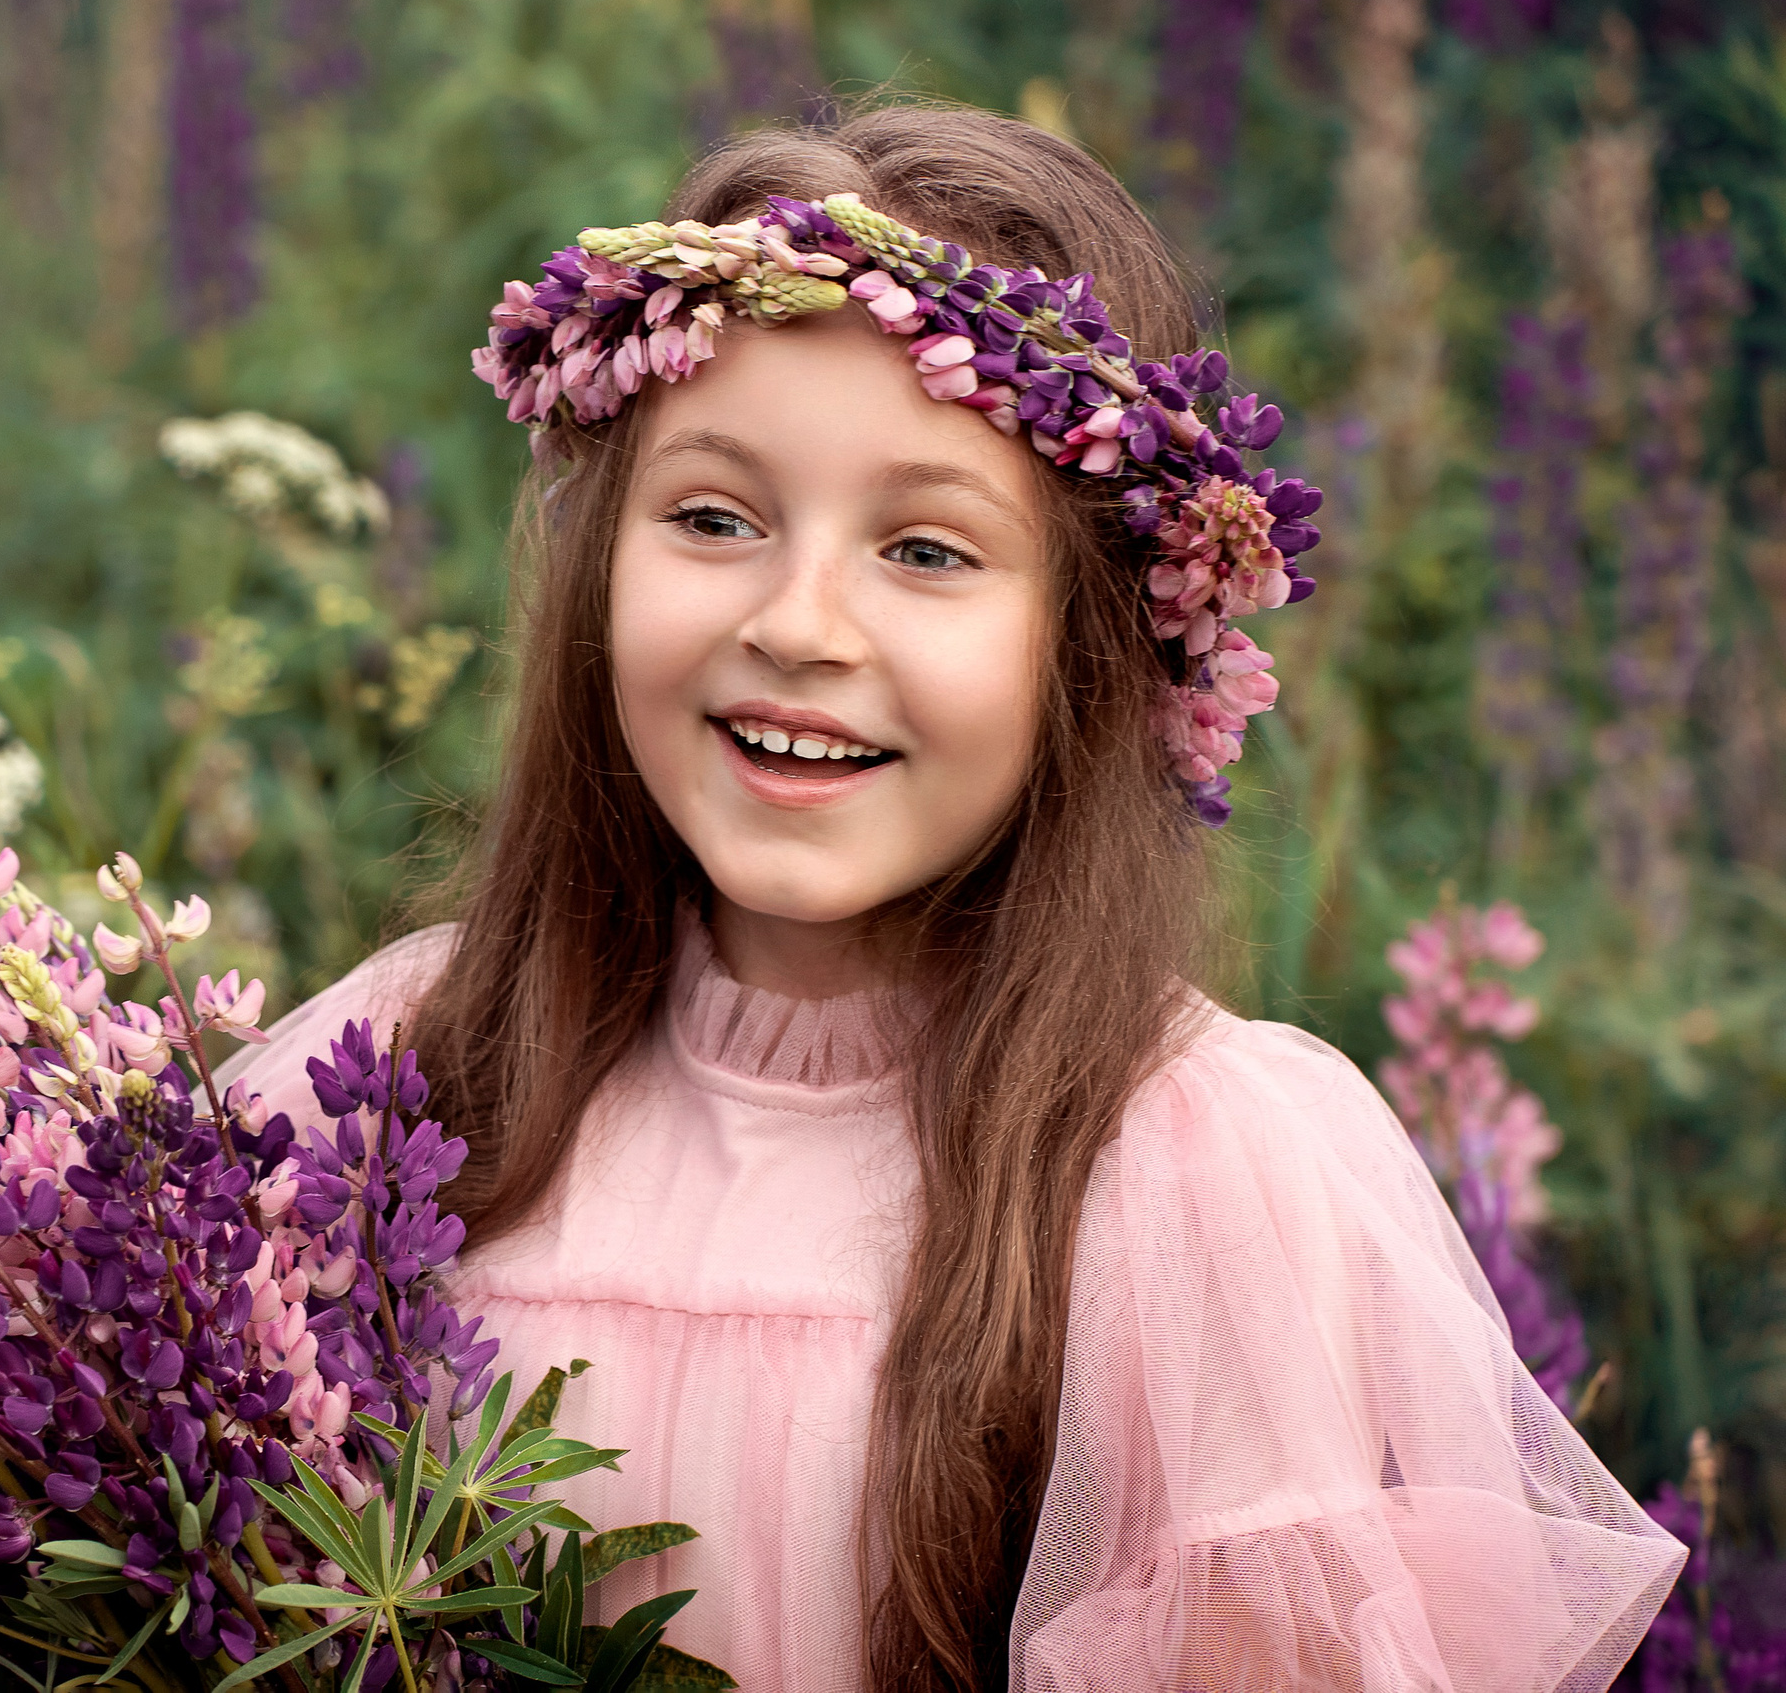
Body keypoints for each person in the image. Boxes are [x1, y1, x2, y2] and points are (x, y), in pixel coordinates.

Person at [220, 102, 1681, 1691]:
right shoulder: (398, 1065)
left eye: (925, 550)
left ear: (1095, 643)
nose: (800, 622)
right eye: (713, 518)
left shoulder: (1182, 1168)